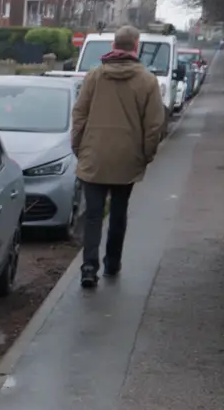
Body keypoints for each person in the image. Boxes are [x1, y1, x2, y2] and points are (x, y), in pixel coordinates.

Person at [70, 24, 166, 288]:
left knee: (93, 215)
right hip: (127, 158)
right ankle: (112, 263)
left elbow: (79, 115)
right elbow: (154, 125)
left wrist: (78, 147)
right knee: (118, 212)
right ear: (136, 47)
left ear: (113, 46)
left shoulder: (94, 76)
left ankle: (89, 268)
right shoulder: (148, 81)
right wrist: (146, 155)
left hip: (94, 155)